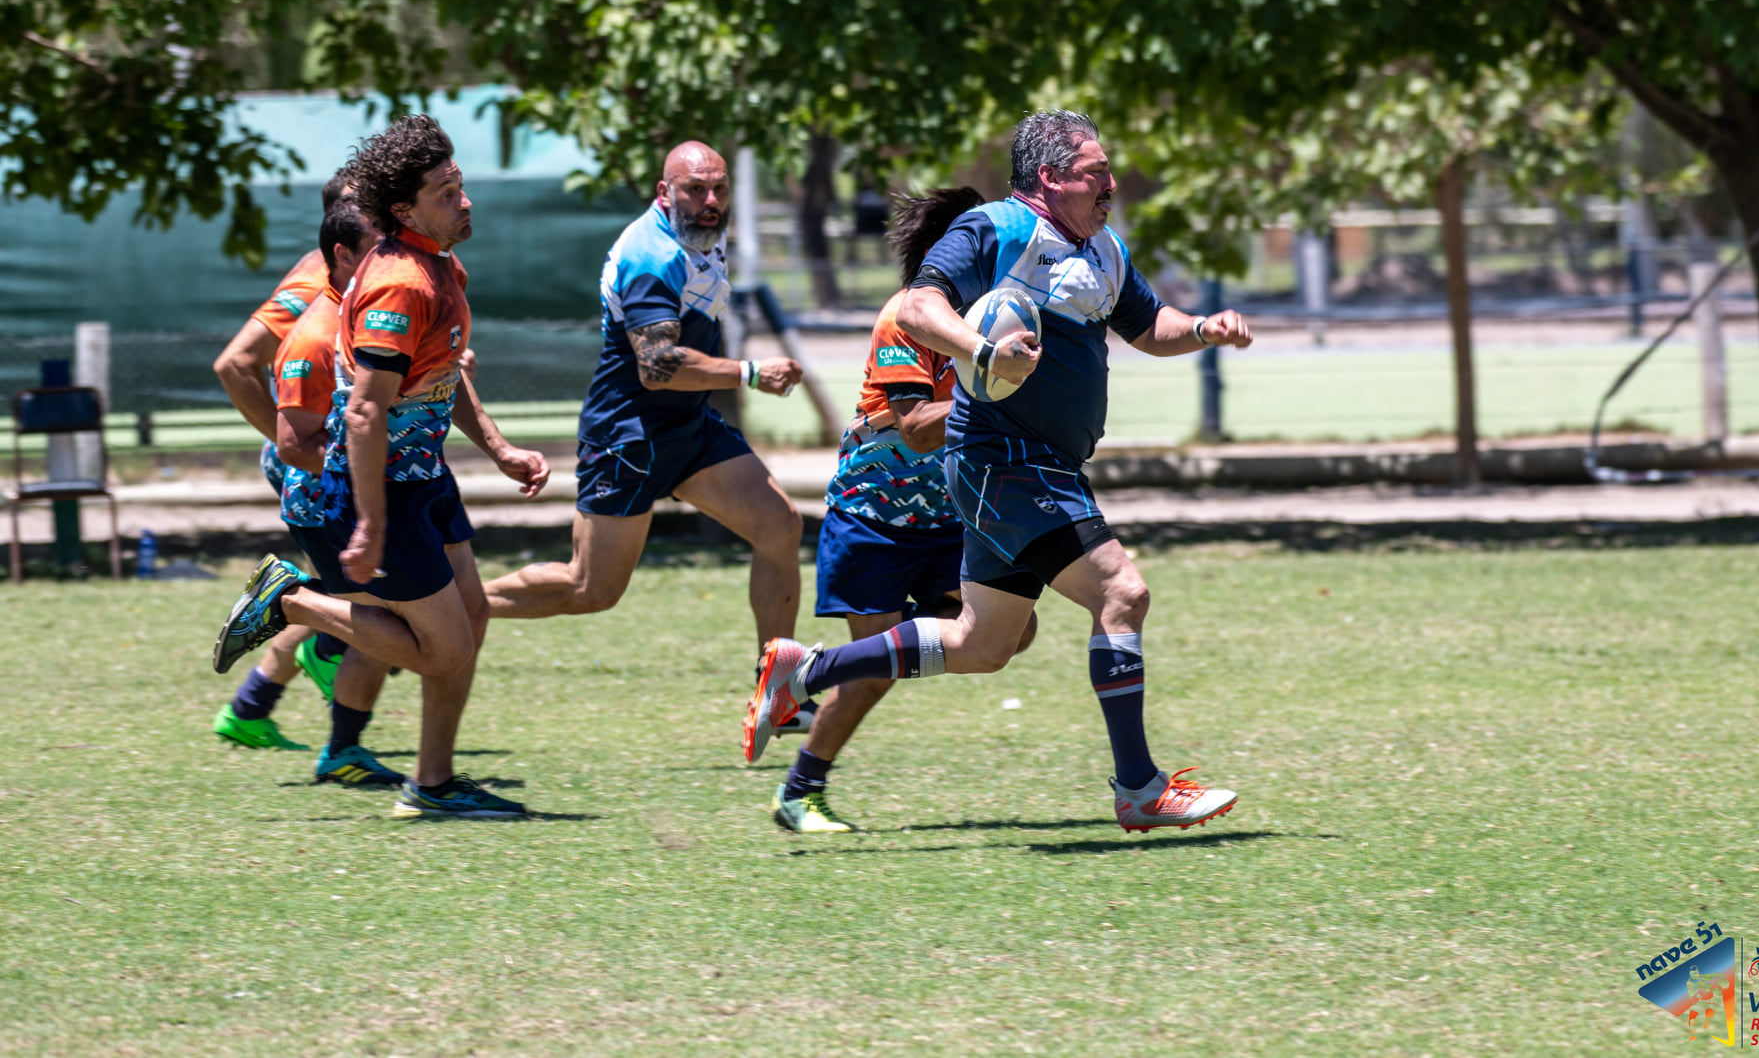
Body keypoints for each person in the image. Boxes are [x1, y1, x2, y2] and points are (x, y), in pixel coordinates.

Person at [746, 109, 1254, 832]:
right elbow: (919, 305)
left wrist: (1204, 328)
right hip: (1001, 460)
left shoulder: (1103, 248)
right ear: (1049, 177)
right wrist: (979, 353)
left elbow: (1147, 327)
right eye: (1096, 172)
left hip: (1047, 465)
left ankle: (807, 671)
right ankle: (1140, 790)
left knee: (981, 645)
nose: (1112, 183)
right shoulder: (998, 230)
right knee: (1122, 592)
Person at [213, 114, 551, 819]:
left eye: (460, 185)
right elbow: (365, 412)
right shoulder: (400, 283)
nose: (464, 201)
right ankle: (291, 601)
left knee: (471, 619)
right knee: (443, 649)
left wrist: (498, 447)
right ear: (404, 209)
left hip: (423, 478)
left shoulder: (439, 263)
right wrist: (367, 520)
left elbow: (441, 376)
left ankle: (432, 783)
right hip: (386, 491)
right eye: (445, 191)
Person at [480, 142, 806, 667]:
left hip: (688, 426)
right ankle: (454, 606)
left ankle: (778, 685)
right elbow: (657, 368)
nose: (710, 200)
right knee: (590, 590)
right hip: (628, 437)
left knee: (780, 527)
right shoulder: (652, 256)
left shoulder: (700, 235)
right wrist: (750, 373)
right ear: (665, 191)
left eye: (719, 188)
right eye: (695, 189)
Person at [775, 187, 1038, 833]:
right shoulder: (905, 317)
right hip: (875, 518)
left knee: (1009, 633)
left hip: (947, 518)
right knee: (873, 673)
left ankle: (806, 670)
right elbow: (918, 426)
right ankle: (798, 793)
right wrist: (1000, 391)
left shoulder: (991, 320)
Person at [210, 171, 355, 749]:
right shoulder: (320, 276)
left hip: (334, 453)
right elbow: (235, 363)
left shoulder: (378, 273)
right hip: (311, 457)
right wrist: (289, 442)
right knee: (368, 597)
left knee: (353, 591)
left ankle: (250, 708)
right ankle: (329, 653)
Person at [267, 199, 403, 787]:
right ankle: (295, 607)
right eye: (376, 250)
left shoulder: (363, 315)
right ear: (342, 256)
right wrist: (362, 472)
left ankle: (341, 739)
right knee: (384, 624)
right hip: (325, 504)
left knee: (388, 624)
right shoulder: (315, 334)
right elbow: (293, 443)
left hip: (358, 494)